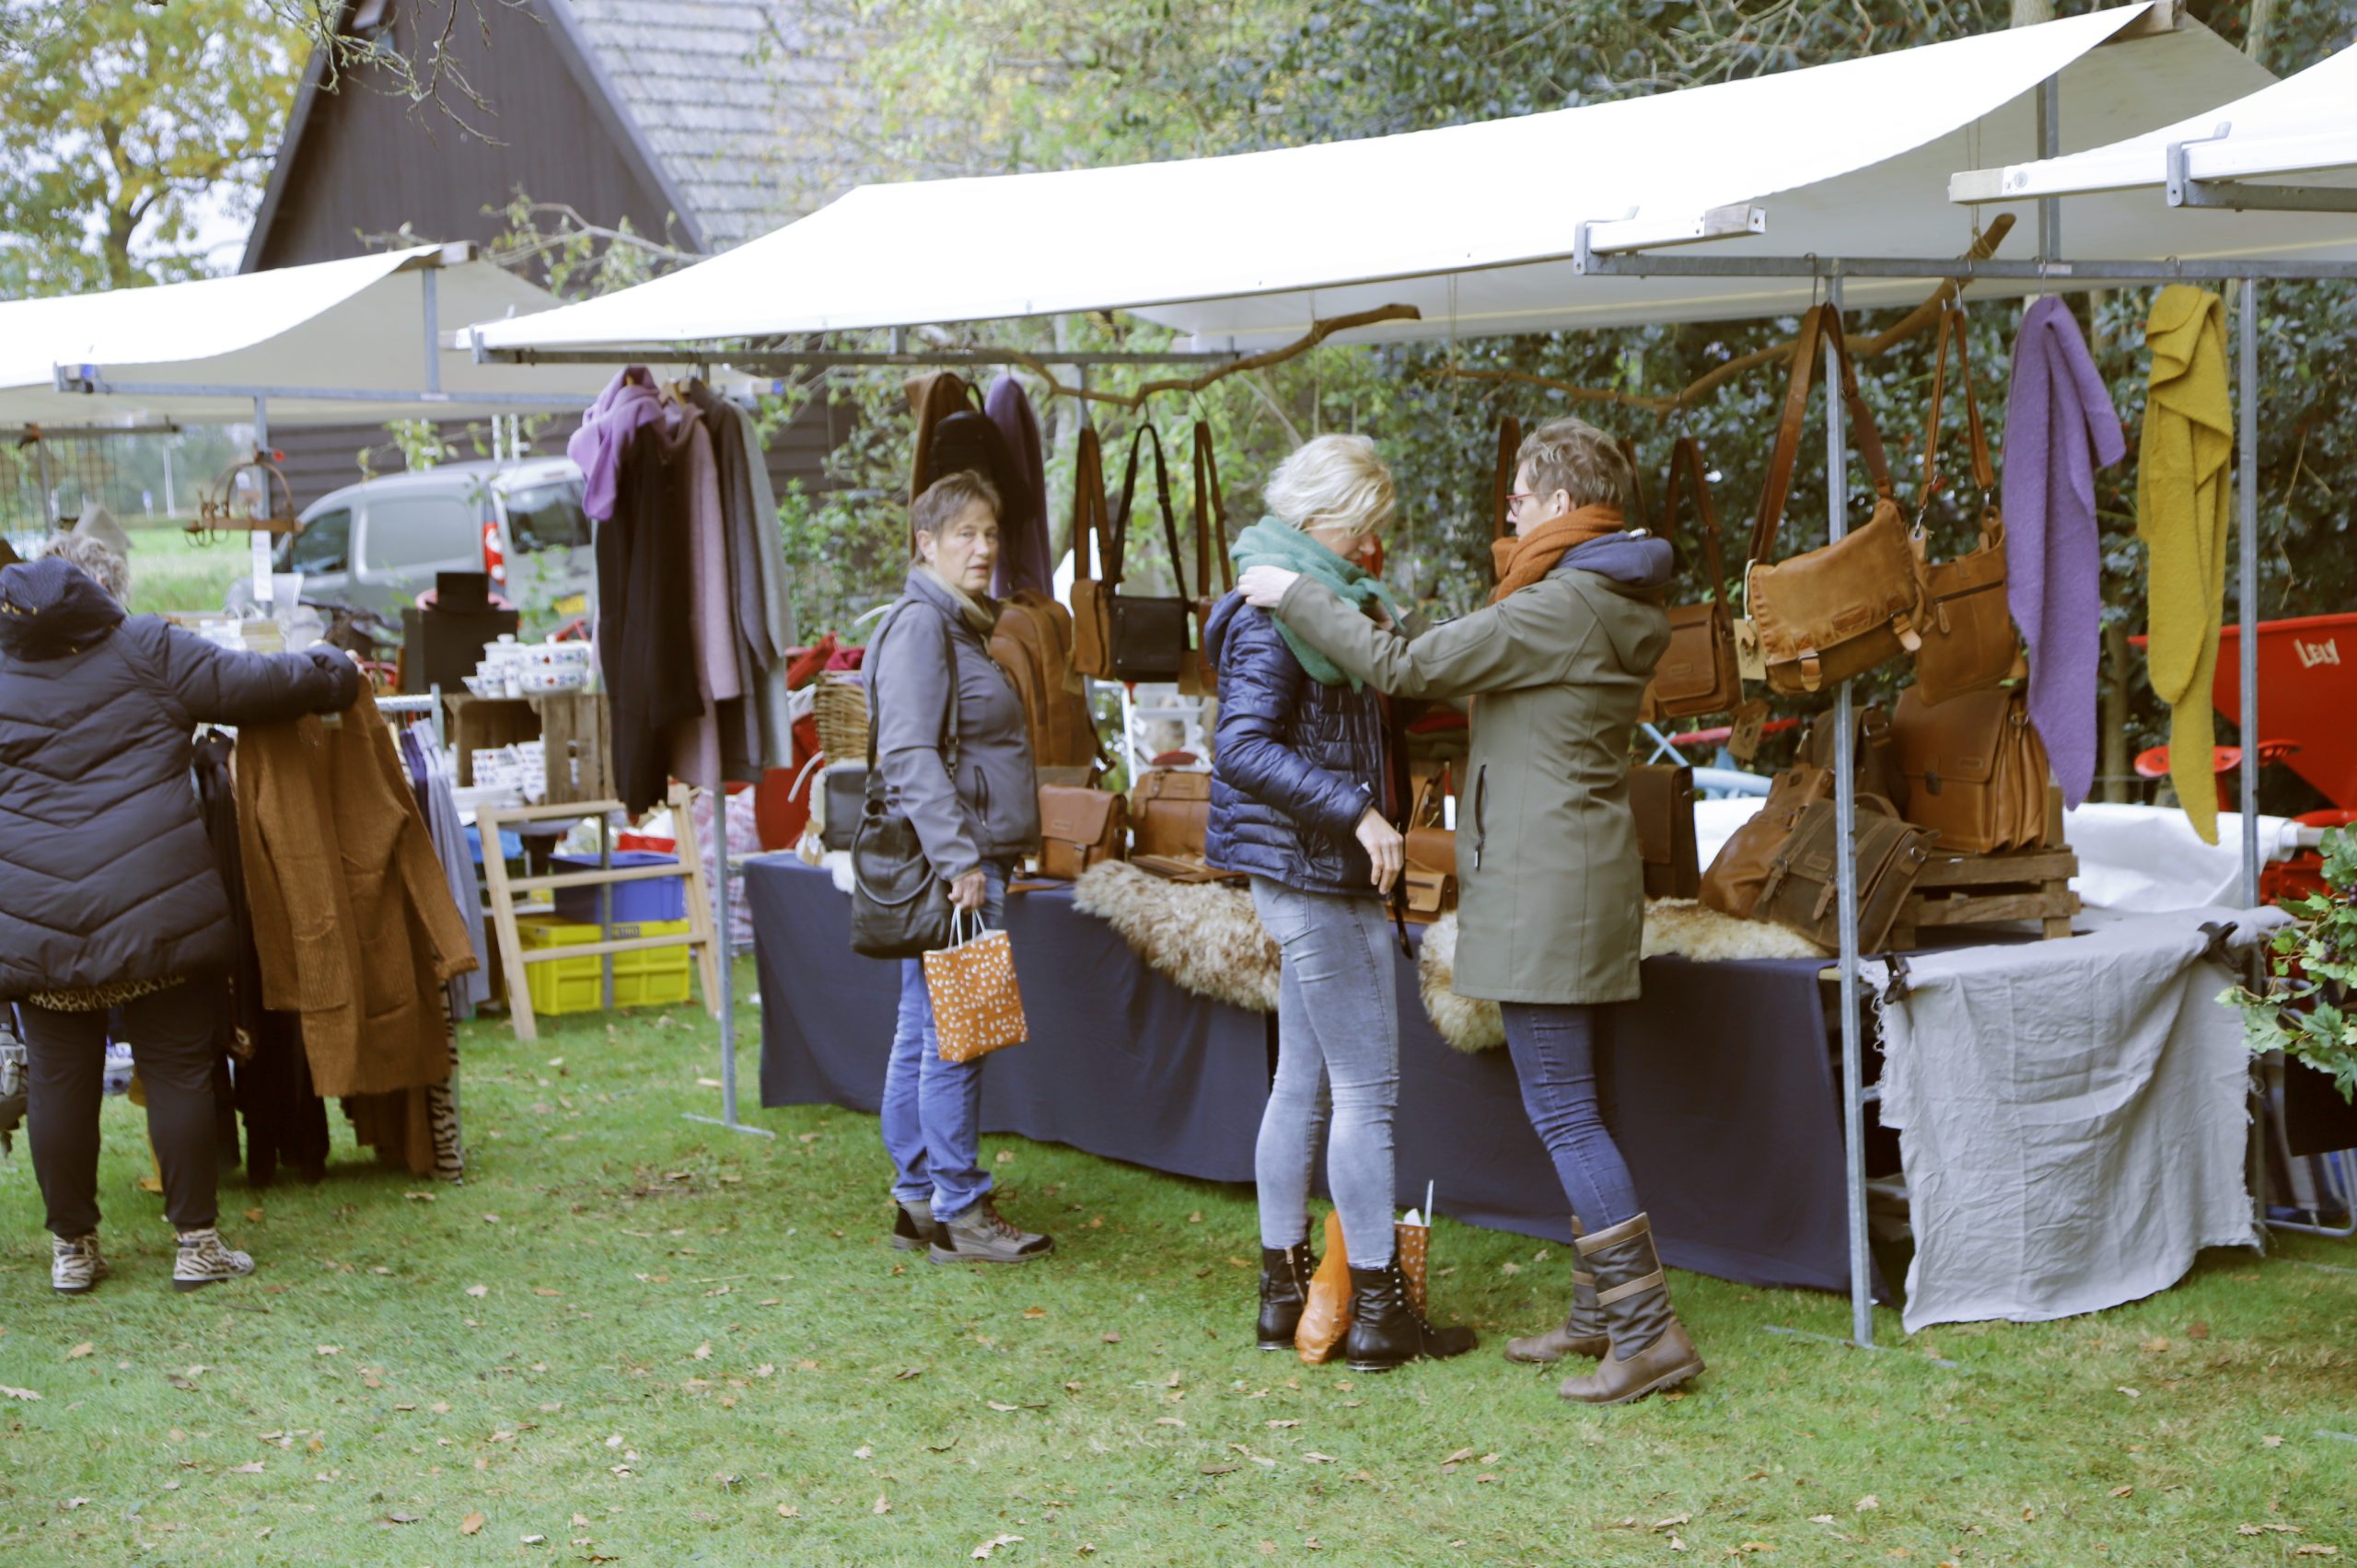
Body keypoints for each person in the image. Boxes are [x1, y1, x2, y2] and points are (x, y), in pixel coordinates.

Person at [1240, 415, 1701, 1405]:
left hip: (1547, 888)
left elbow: (1405, 665)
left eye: (1524, 493)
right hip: (1571, 877)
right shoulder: (1598, 594)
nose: (1511, 507)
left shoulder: (1565, 604)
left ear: (1566, 504)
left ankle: (1646, 1329)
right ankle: (1596, 1311)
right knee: (1583, 1102)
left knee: (1567, 1111)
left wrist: (1295, 592)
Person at [0, 542, 361, 1295]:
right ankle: (196, 1242)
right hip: (155, 907)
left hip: (40, 914)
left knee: (61, 1081)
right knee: (177, 1070)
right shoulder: (147, 646)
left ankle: (73, 1248)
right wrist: (334, 668)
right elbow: (257, 682)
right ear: (98, 592)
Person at [1205, 433, 1476, 1373]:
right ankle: (1378, 1313)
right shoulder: (1271, 606)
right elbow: (1239, 746)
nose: (1375, 549)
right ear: (1326, 518)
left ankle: (1284, 1297)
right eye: (1367, 529)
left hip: (1303, 873)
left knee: (1304, 1084)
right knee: (1369, 1094)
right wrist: (1357, 811)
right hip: (1319, 876)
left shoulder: (1307, 594)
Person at [866, 470, 1051, 1265]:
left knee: (924, 1026)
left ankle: (918, 1195)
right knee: (956, 1035)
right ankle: (961, 1209)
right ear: (927, 543)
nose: (983, 548)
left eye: (991, 533)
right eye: (965, 534)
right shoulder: (923, 628)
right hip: (958, 867)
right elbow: (908, 753)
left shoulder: (958, 624)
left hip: (965, 858)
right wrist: (962, 859)